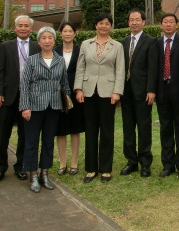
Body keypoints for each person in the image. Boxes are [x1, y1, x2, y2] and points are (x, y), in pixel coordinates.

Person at [74, 12, 124, 184]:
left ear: (111, 26)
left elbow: (120, 70)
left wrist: (117, 92)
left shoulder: (117, 46)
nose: (104, 26)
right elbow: (80, 68)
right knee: (90, 130)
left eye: (107, 23)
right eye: (100, 23)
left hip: (108, 93)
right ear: (95, 25)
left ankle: (105, 169)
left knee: (107, 132)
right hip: (88, 92)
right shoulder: (85, 44)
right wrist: (78, 89)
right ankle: (91, 168)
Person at [20, 26, 72, 193]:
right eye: (44, 38)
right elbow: (24, 85)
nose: (47, 41)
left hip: (54, 106)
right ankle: (33, 175)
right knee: (31, 142)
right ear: (39, 41)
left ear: (54, 40)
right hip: (34, 107)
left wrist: (66, 102)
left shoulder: (60, 60)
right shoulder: (31, 60)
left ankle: (45, 173)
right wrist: (25, 106)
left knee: (48, 142)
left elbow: (64, 83)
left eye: (50, 38)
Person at [0, 15, 41, 183]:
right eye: (20, 25)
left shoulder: (36, 47)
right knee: (3, 134)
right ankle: (0, 167)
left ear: (31, 29)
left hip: (28, 97)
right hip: (8, 96)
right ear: (15, 28)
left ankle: (21, 166)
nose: (23, 28)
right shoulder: (5, 46)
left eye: (26, 26)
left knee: (25, 134)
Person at [119, 9, 157, 177]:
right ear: (128, 22)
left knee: (143, 127)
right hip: (125, 91)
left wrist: (151, 90)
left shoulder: (151, 41)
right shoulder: (123, 42)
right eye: (131, 20)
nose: (134, 22)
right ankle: (131, 161)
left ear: (143, 22)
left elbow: (153, 68)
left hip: (143, 92)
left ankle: (145, 163)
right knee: (128, 127)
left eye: (137, 19)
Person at [155, 13, 179, 179]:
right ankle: (168, 165)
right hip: (162, 92)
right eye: (165, 22)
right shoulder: (156, 43)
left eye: (171, 22)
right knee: (166, 130)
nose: (168, 24)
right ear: (161, 25)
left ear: (177, 25)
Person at [54, 21, 84, 176]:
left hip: (76, 92)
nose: (67, 33)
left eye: (70, 31)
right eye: (64, 31)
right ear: (60, 34)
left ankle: (74, 163)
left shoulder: (80, 51)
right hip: (58, 93)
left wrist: (79, 90)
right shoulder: (54, 51)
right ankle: (62, 162)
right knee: (60, 130)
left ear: (74, 34)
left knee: (75, 129)